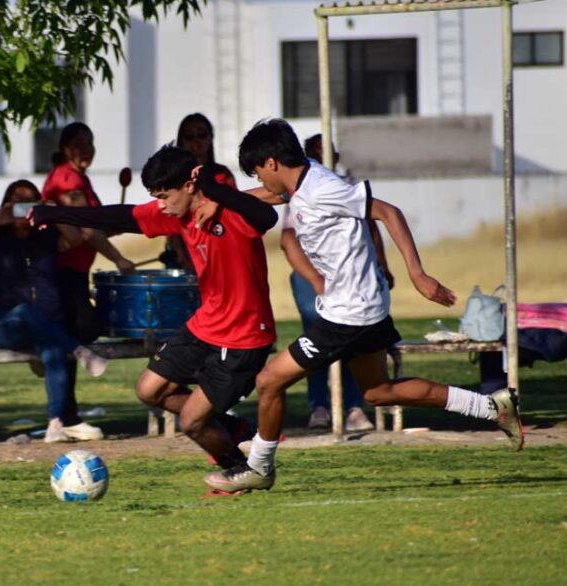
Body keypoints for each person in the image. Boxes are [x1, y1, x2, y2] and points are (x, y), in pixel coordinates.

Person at [203, 118, 523, 494]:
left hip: (348, 313)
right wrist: (222, 201)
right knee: (378, 392)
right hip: (363, 307)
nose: (260, 181)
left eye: (259, 172)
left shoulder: (323, 188)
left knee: (269, 382)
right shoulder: (302, 182)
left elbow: (388, 212)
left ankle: (258, 467)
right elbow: (273, 196)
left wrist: (417, 274)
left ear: (272, 162)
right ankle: (491, 407)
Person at [31, 145, 280, 473]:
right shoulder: (177, 215)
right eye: (156, 197)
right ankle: (230, 429)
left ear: (190, 186)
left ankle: (240, 470)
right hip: (206, 326)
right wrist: (57, 214)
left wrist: (217, 193)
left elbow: (270, 212)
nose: (160, 205)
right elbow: (118, 215)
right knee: (149, 389)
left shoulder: (230, 211)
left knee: (191, 423)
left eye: (164, 195)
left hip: (243, 336)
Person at [0, 180, 108, 443]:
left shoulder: (46, 234)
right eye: (18, 201)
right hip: (6, 325)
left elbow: (75, 239)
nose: (23, 206)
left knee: (53, 351)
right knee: (21, 312)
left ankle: (55, 425)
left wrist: (52, 213)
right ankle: (77, 349)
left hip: (48, 325)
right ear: (7, 203)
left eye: (30, 200)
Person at [281, 133, 395, 431]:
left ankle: (354, 407)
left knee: (368, 373)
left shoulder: (338, 186)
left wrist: (384, 264)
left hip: (353, 287)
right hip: (317, 280)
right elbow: (288, 238)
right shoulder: (300, 189)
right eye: (317, 155)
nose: (323, 161)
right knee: (313, 348)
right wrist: (315, 278)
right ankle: (320, 405)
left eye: (328, 154)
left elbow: (376, 219)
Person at [41, 122, 135, 428]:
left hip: (75, 271)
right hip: (63, 273)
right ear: (66, 148)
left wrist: (115, 223)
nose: (87, 150)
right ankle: (64, 413)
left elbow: (94, 227)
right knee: (83, 329)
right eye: (80, 144)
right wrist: (119, 258)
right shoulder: (67, 180)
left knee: (76, 333)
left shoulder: (78, 178)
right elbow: (86, 229)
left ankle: (68, 412)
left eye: (91, 144)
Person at [164, 113, 238, 271]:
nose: (196, 141)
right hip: (184, 250)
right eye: (189, 136)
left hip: (218, 246)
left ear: (211, 138)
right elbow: (172, 220)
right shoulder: (174, 176)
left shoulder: (222, 174)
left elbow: (235, 206)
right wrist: (181, 255)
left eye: (202, 135)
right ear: (181, 141)